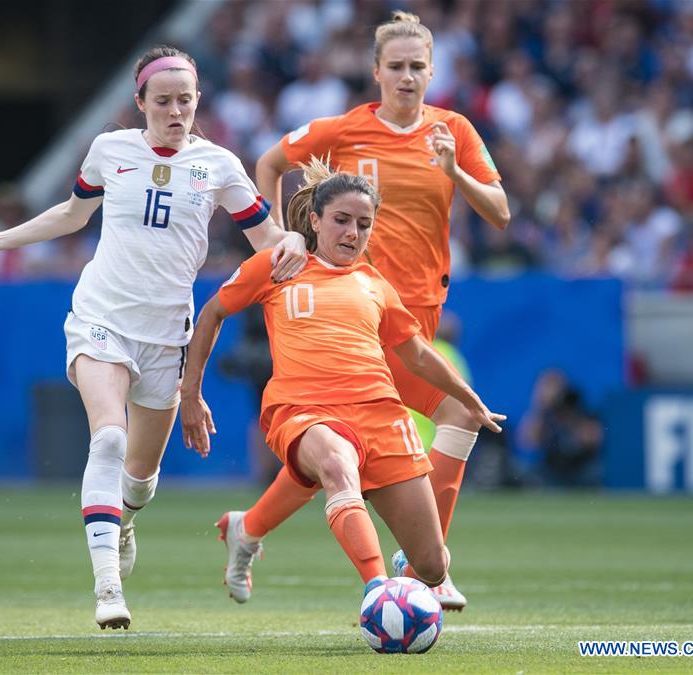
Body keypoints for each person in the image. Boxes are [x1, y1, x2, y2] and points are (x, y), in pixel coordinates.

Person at [0, 45, 307, 630]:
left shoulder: (219, 166)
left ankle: (126, 520)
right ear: (140, 103)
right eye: (162, 101)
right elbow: (70, 214)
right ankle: (107, 586)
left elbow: (269, 240)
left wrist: (293, 244)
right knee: (108, 440)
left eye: (185, 100)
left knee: (140, 477)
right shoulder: (110, 150)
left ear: (198, 102)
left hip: (167, 335)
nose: (174, 111)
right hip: (101, 317)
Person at [218, 11, 510, 610]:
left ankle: (247, 528)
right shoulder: (345, 130)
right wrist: (277, 240)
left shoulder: (452, 130)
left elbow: (501, 212)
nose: (407, 77)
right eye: (396, 66)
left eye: (418, 67)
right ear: (376, 71)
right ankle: (423, 564)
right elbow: (270, 164)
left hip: (415, 316)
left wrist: (455, 171)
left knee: (331, 459)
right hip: (350, 317)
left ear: (433, 71)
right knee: (453, 414)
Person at [180, 161, 504, 600]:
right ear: (314, 221)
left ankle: (248, 527)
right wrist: (190, 392)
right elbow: (213, 312)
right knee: (334, 464)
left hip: (380, 416)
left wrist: (468, 398)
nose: (353, 233)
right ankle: (378, 592)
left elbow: (416, 354)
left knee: (432, 565)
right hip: (303, 411)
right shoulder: (280, 265)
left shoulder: (374, 284)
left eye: (364, 224)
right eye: (342, 220)